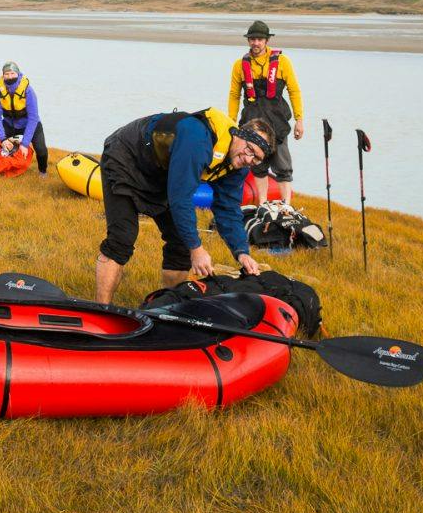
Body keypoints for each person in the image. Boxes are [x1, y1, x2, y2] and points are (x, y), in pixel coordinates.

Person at [93, 107, 276, 304]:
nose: (249, 159)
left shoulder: (238, 166)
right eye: (249, 149)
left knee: (181, 245)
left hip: (161, 175)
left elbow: (228, 209)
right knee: (122, 237)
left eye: (256, 158)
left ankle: (166, 308)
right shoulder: (198, 139)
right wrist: (196, 248)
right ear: (239, 136)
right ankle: (101, 309)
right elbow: (181, 197)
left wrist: (242, 252)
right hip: (127, 158)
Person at [228, 20, 305, 203]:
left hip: (277, 122)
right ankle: (261, 204)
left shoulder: (282, 62)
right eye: (252, 39)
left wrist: (299, 120)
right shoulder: (240, 65)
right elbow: (234, 95)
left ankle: (286, 206)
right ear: (248, 41)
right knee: (257, 166)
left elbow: (294, 90)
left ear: (267, 41)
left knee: (283, 166)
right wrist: (231, 122)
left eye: (260, 39)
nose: (256, 43)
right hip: (252, 122)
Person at [0, 61, 48, 175]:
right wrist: (3, 139)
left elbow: (33, 118)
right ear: (3, 75)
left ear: (18, 74)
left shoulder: (28, 91)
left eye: (12, 73)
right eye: (6, 74)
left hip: (29, 124)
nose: (9, 76)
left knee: (41, 150)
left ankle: (42, 172)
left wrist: (24, 144)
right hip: (9, 123)